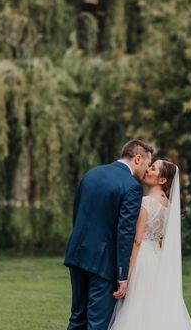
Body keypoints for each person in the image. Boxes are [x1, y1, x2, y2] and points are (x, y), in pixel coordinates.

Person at [64, 139, 153, 330]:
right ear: (138, 158)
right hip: (103, 262)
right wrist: (123, 275)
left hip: (77, 253)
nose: (147, 170)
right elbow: (125, 232)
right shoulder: (131, 186)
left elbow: (78, 213)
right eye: (147, 164)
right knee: (97, 323)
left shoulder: (91, 174)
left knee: (77, 317)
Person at [108, 159, 191, 330]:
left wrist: (125, 275)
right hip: (158, 261)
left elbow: (137, 241)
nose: (147, 169)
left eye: (153, 168)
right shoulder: (170, 207)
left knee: (136, 307)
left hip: (142, 261)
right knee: (153, 307)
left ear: (162, 180)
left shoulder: (145, 202)